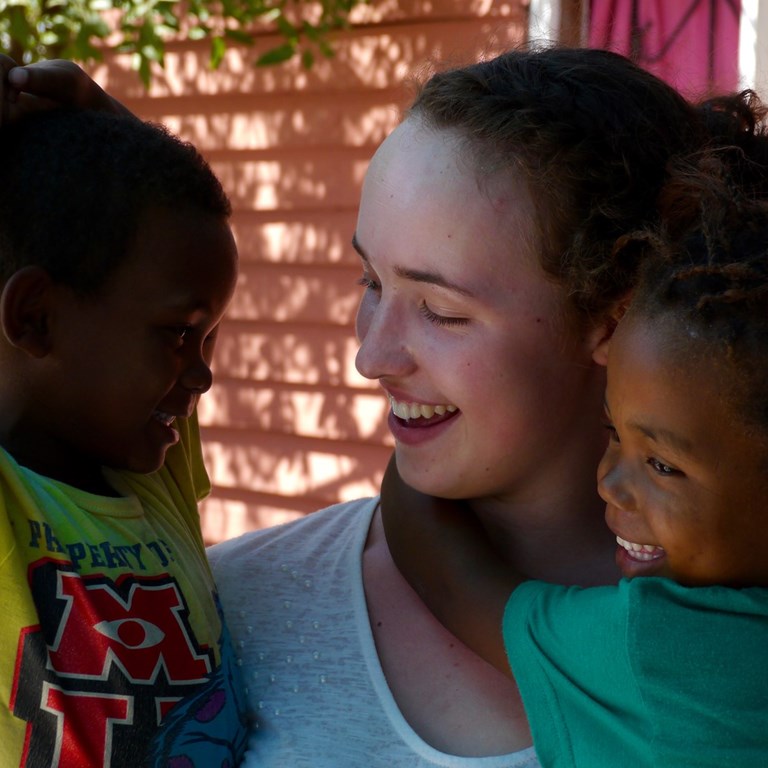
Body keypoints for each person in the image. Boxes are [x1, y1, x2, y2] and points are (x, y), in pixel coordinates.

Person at [7, 48, 758, 767]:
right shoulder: (210, 618)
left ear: (612, 314)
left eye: (439, 309)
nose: (371, 356)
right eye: (371, 283)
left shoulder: (728, 655)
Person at [382, 150, 768, 767]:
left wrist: (419, 436)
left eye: (663, 465)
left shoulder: (673, 648)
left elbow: (451, 578)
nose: (611, 482)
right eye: (613, 432)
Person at [0, 107, 248, 767]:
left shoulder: (150, 463)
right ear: (36, 317)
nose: (203, 374)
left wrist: (87, 105)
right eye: (178, 333)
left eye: (212, 336)